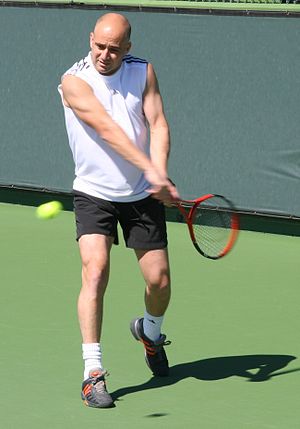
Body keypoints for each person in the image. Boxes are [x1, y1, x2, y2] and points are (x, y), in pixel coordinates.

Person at [58, 12, 179, 409]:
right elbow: (108, 130)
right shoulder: (73, 82)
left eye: (114, 48)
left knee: (159, 281)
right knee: (95, 271)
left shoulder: (142, 71)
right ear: (90, 38)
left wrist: (158, 170)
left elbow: (158, 123)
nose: (105, 55)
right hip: (93, 193)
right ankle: (92, 373)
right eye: (99, 46)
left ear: (128, 47)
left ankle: (149, 331)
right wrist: (150, 169)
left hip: (141, 195)